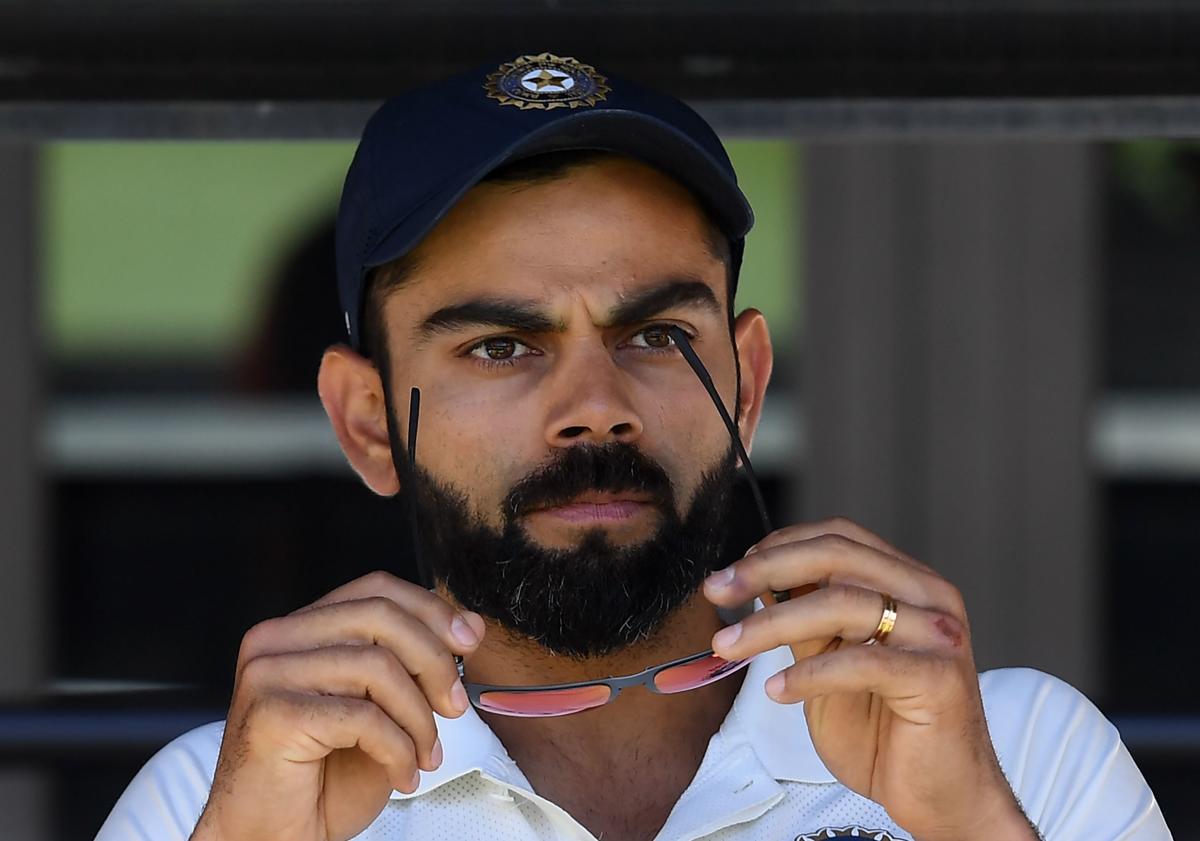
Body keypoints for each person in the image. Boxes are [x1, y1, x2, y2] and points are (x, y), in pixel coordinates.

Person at [96, 52, 1170, 841]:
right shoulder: (231, 794)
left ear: (745, 384)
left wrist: (969, 821)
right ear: (368, 420)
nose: (595, 408)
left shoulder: (1014, 750)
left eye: (657, 335)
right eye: (502, 346)